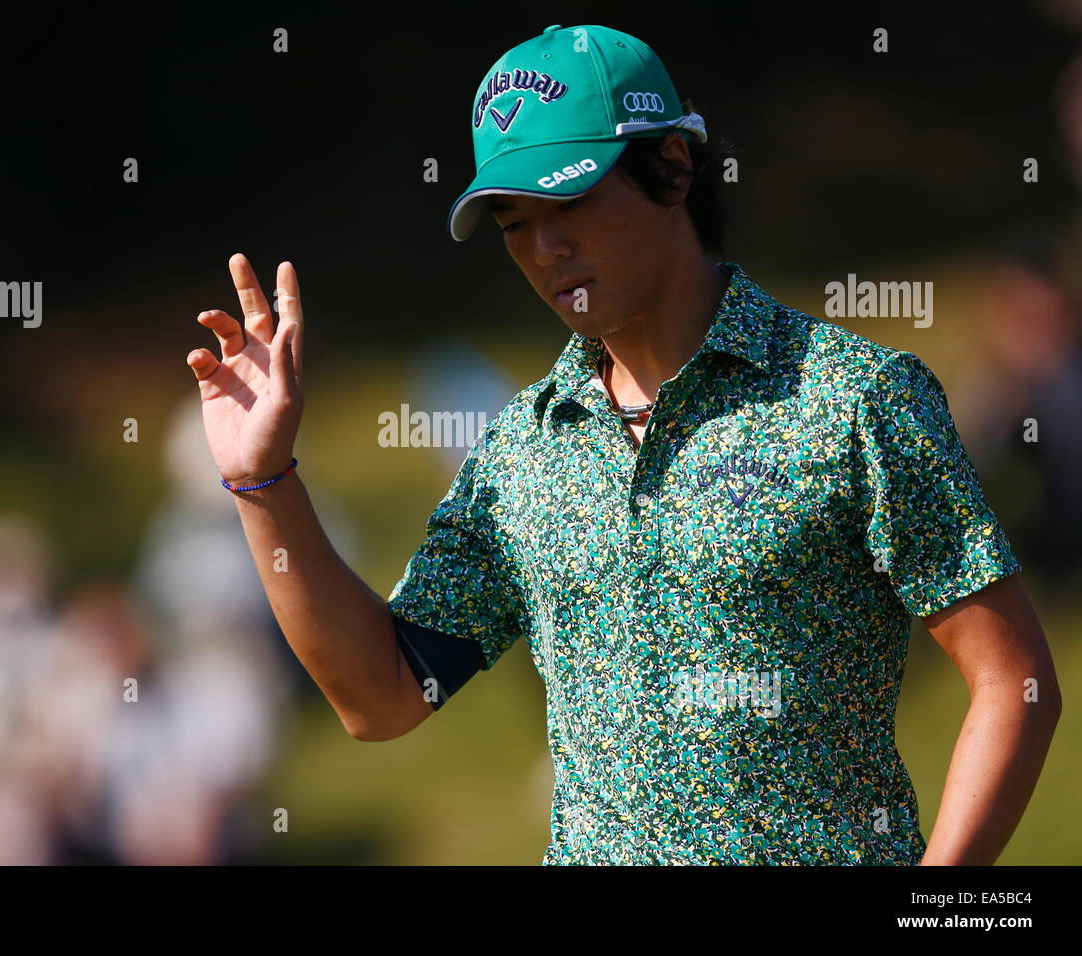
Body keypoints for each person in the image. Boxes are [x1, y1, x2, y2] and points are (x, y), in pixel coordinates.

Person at [184, 24, 1062, 865]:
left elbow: (1013, 682)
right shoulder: (521, 451)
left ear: (672, 169)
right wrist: (263, 481)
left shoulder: (853, 398)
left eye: (567, 201)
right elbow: (381, 697)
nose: (545, 248)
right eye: (514, 224)